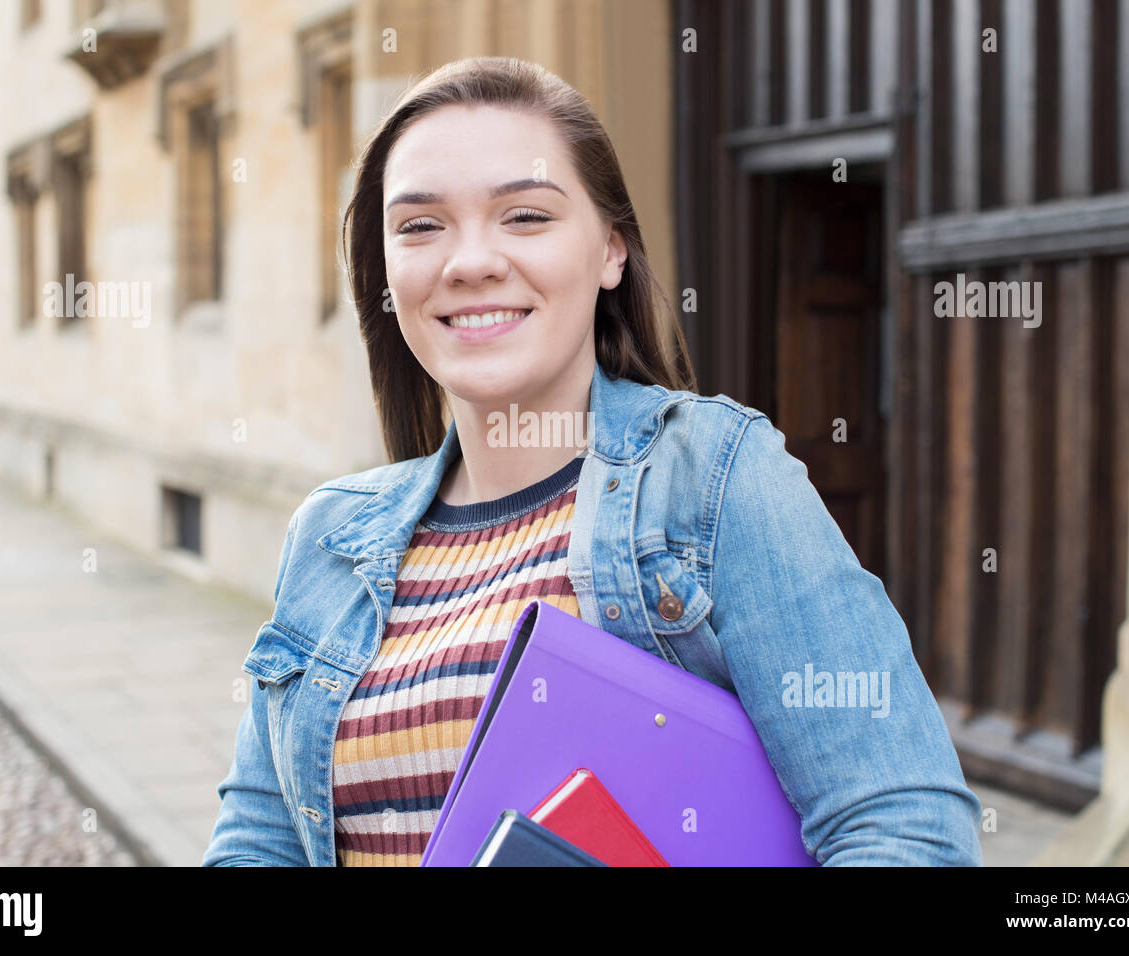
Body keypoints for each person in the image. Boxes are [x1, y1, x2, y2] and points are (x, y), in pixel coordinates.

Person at [202, 56, 983, 867]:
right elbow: (256, 842)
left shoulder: (715, 477)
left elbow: (903, 826)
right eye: (421, 225)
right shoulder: (330, 534)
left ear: (610, 252)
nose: (469, 261)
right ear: (388, 276)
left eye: (526, 217)